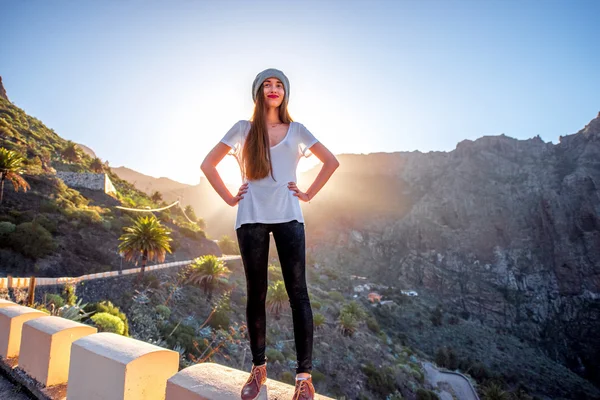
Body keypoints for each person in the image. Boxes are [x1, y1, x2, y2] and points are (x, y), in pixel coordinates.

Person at [200, 68, 339, 400]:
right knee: (256, 294)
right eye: (267, 84)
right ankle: (258, 369)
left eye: (279, 85)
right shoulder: (243, 129)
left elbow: (331, 162)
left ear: (285, 93)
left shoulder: (297, 130)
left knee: (298, 295)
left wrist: (308, 194)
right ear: (258, 93)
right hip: (251, 218)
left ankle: (303, 379)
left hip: (290, 217)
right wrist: (231, 198)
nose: (273, 88)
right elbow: (208, 165)